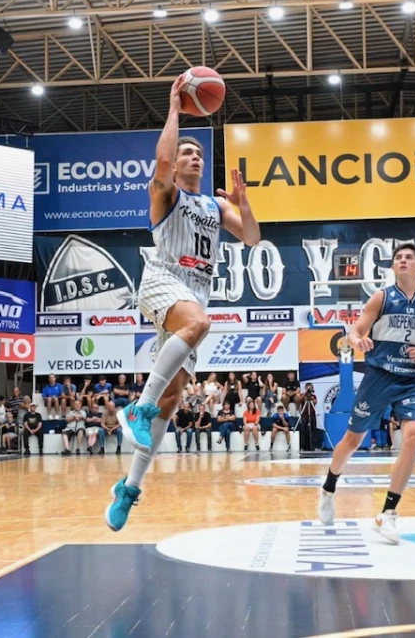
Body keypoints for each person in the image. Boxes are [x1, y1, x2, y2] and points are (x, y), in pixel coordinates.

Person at [105, 77, 261, 533]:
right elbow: (163, 158)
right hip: (162, 278)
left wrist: (244, 203)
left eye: (199, 154)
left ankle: (128, 489)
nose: (194, 157)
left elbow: (252, 237)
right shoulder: (165, 193)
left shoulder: (214, 205)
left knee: (173, 401)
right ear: (174, 169)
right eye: (187, 154)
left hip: (194, 289)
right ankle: (138, 406)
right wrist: (174, 108)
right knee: (199, 324)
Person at [316, 243, 415, 544]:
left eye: (409, 258)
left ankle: (388, 513)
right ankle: (328, 488)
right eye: (398, 258)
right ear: (393, 268)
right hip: (379, 376)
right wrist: (357, 341)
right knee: (352, 441)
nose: (402, 260)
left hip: (412, 379)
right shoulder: (382, 297)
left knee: (413, 433)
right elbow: (354, 331)